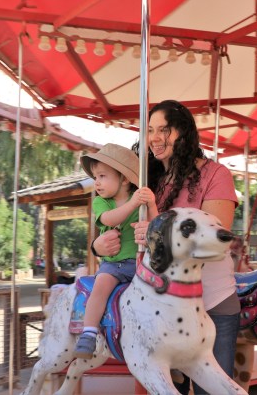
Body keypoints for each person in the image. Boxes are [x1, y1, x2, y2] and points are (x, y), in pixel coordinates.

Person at [92, 100, 240, 394]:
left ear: (183, 132)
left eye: (164, 130)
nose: (155, 137)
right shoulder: (145, 180)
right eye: (150, 130)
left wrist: (155, 230)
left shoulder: (215, 174)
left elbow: (216, 236)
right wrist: (98, 246)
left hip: (210, 300)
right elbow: (113, 221)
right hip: (158, 308)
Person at [73, 143, 158, 359]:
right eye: (96, 177)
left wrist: (151, 205)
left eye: (102, 176)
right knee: (100, 287)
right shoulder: (101, 202)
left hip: (140, 263)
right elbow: (109, 220)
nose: (97, 182)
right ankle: (89, 333)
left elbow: (156, 225)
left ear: (124, 179)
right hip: (113, 264)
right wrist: (133, 204)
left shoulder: (139, 200)